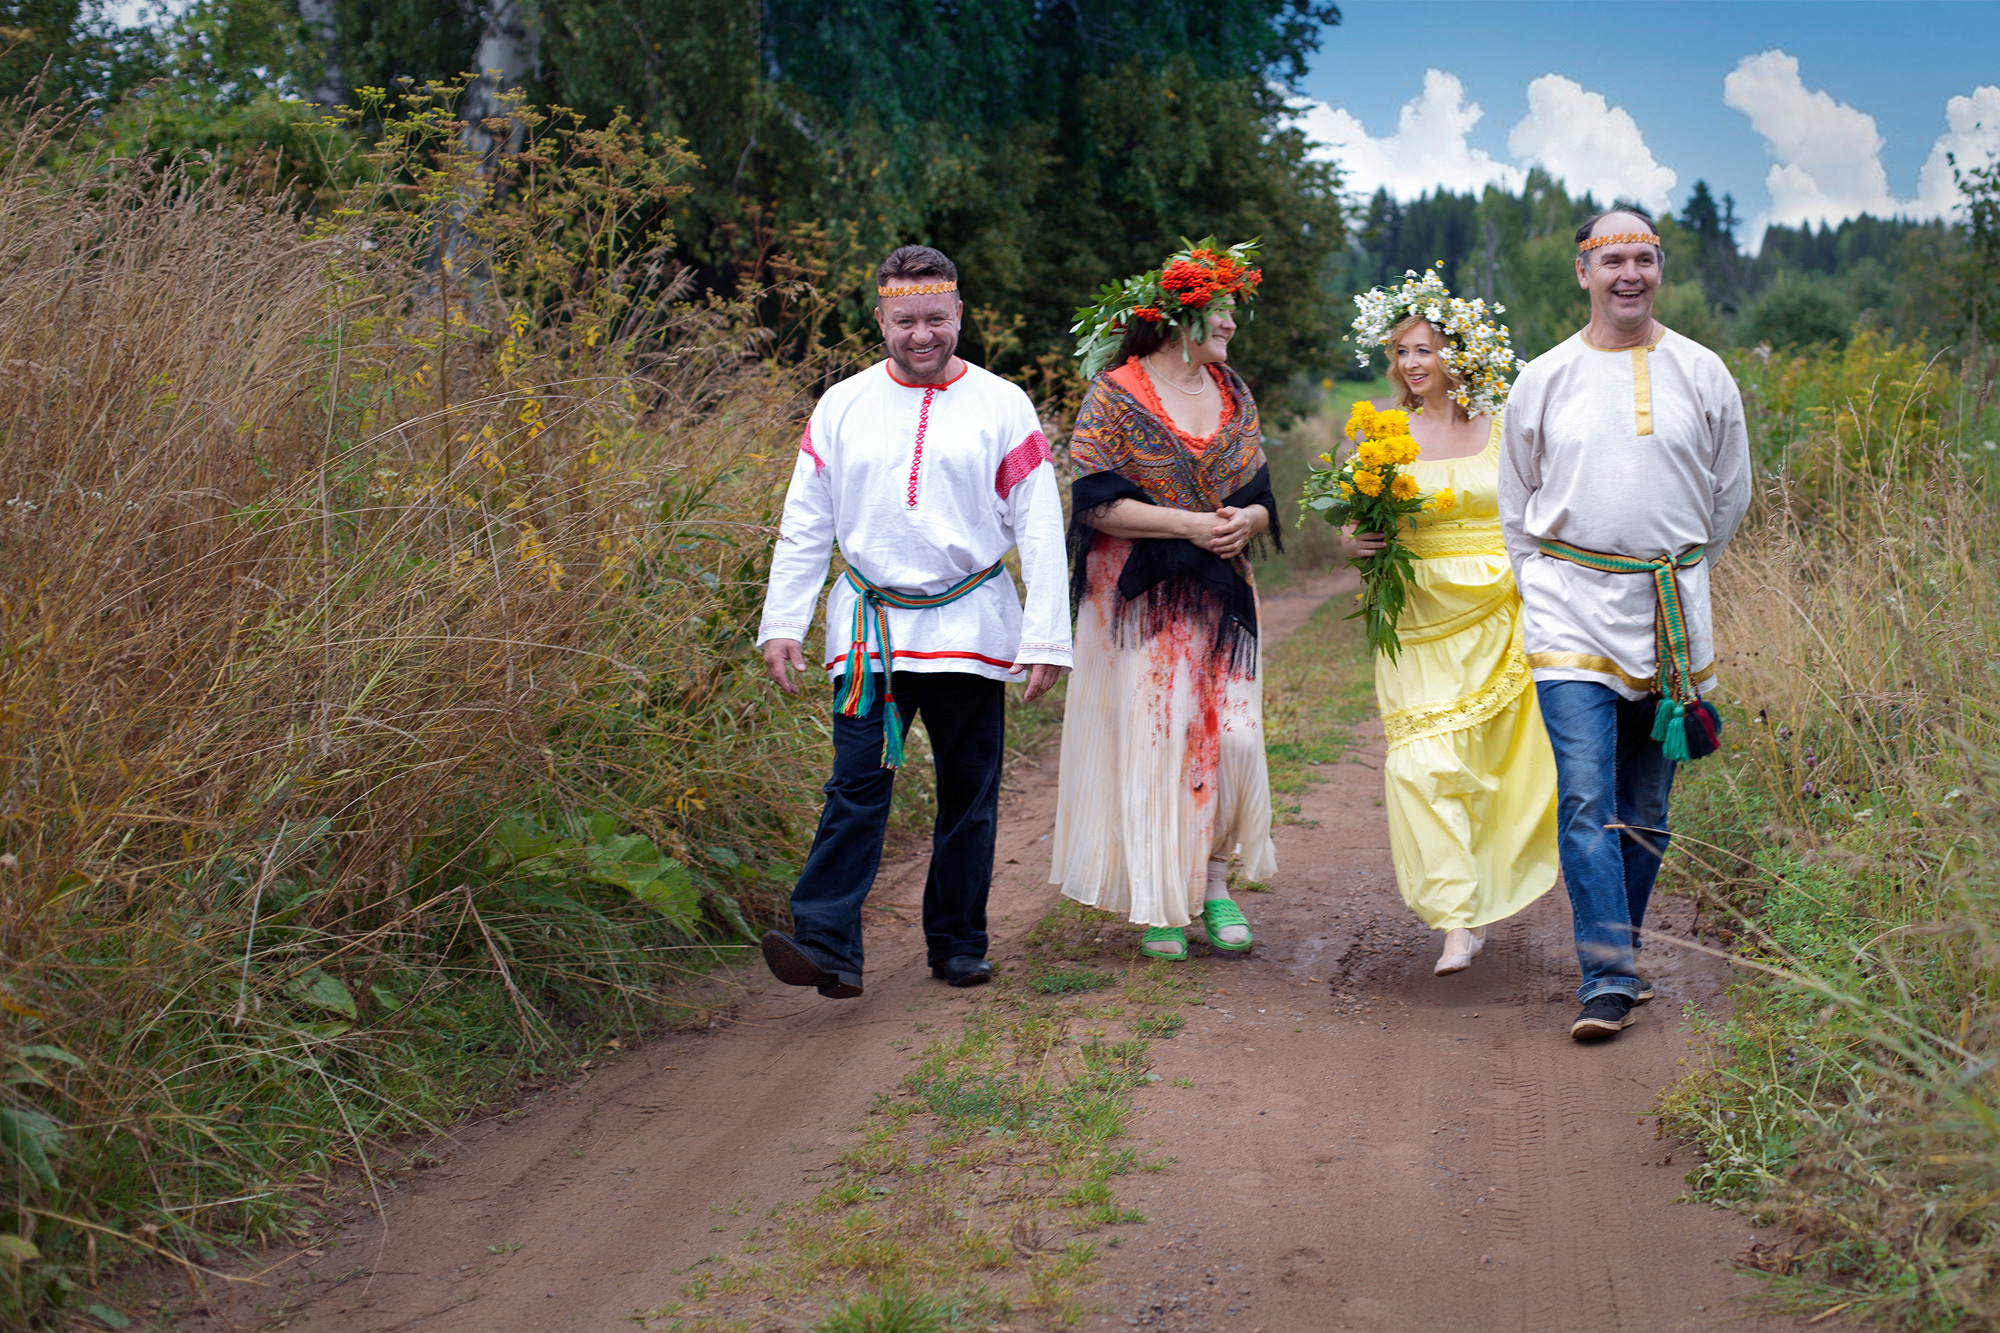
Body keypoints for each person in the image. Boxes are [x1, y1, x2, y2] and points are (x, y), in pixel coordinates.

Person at [755, 244, 1071, 999]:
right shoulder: (842, 405)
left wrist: (1046, 640)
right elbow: (806, 524)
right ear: (881, 319)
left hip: (970, 627)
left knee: (969, 791)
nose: (921, 334)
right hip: (871, 632)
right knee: (856, 784)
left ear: (958, 313)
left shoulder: (1003, 405)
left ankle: (959, 943)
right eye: (905, 320)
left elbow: (1039, 528)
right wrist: (783, 622)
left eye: (935, 317)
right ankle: (827, 944)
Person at [1498, 208, 1751, 1040]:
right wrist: (1543, 582)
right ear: (1585, 272)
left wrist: (1676, 570)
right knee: (1584, 797)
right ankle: (1606, 976)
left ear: (1659, 269)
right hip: (1571, 607)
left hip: (1669, 611)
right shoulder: (1543, 378)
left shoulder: (1704, 371)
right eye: (1614, 260)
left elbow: (1729, 495)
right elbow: (1516, 506)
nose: (1630, 274)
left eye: (1644, 257)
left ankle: (1626, 952)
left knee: (1647, 807)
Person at [1050, 239, 1278, 960]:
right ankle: (1163, 901)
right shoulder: (1116, 393)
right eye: (1222, 311)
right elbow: (1094, 502)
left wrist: (1248, 521)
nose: (1232, 325)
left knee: (1233, 738)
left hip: (1223, 595)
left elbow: (1261, 496)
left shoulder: (1234, 391)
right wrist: (1186, 524)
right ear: (1182, 315)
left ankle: (1214, 883)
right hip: (1141, 598)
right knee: (1162, 736)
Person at [1340, 273, 1558, 976]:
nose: (1410, 363)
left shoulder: (1505, 422)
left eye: (1425, 348)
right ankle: (1455, 918)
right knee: (1420, 763)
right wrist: (1352, 542)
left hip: (1501, 612)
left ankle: (1484, 896)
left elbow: (1543, 510)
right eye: (1402, 350)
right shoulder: (1383, 430)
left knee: (1496, 769)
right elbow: (1353, 520)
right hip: (1416, 615)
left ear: (1459, 354)